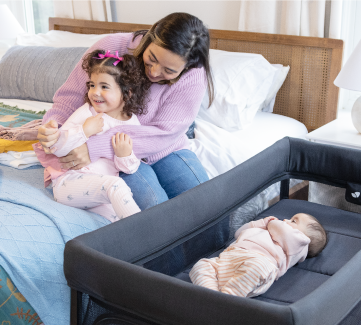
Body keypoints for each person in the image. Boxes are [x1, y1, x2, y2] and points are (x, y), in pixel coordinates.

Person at [37, 12, 214, 210]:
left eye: (169, 71)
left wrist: (94, 147)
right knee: (155, 208)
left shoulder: (194, 74)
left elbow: (165, 133)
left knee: (207, 205)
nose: (154, 72)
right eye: (152, 58)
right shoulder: (111, 47)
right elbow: (70, 97)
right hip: (117, 157)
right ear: (150, 37)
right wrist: (53, 129)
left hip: (164, 149)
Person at [33, 49, 150, 222]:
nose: (95, 92)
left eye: (104, 87)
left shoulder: (132, 123)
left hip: (98, 189)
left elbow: (129, 168)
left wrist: (124, 155)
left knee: (117, 219)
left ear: (127, 92)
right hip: (69, 182)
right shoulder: (86, 112)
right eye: (92, 85)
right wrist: (84, 131)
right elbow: (58, 148)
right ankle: (145, 231)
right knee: (117, 186)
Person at [189, 214, 328, 297]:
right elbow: (239, 233)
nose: (286, 220)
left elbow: (285, 231)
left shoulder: (300, 245)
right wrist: (260, 223)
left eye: (293, 221)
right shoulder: (269, 229)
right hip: (229, 258)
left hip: (258, 263)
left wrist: (270, 222)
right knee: (201, 265)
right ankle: (212, 296)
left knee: (257, 267)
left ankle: (227, 298)